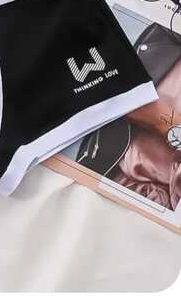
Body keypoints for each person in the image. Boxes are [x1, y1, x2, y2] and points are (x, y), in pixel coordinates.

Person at [77, 23, 181, 211]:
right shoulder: (165, 35)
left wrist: (168, 124)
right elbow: (118, 96)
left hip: (165, 213)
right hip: (107, 179)